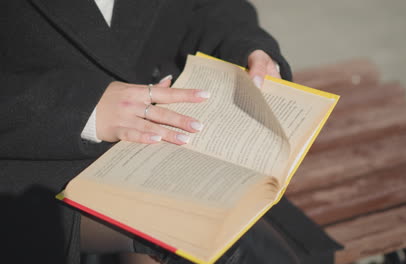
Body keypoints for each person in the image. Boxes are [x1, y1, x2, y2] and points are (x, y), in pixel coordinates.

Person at [1, 0, 340, 263]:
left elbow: (205, 7)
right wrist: (80, 110)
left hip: (177, 148)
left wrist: (247, 48)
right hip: (33, 158)